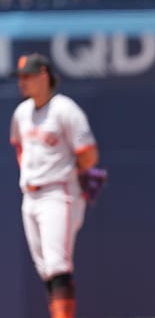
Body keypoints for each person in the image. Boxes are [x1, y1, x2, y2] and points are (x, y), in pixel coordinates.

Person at [9, 53, 100, 318]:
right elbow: (19, 149)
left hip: (59, 193)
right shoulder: (22, 113)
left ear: (44, 76)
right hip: (31, 195)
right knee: (46, 269)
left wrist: (69, 173)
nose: (22, 82)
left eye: (27, 76)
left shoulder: (65, 109)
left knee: (58, 264)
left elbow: (88, 153)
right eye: (20, 77)